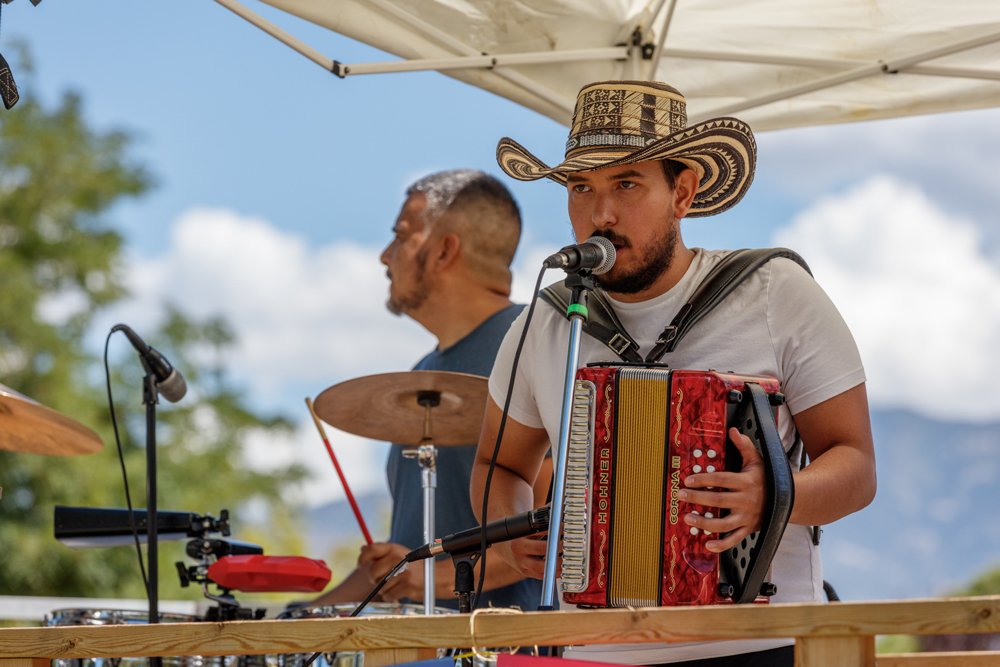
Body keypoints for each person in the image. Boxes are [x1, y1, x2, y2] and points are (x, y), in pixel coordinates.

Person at [471, 80, 877, 665]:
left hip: (756, 649)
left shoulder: (775, 294)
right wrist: (516, 537)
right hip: (590, 654)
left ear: (682, 192)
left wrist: (773, 496)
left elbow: (856, 467)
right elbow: (499, 465)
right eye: (580, 187)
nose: (599, 214)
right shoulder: (548, 319)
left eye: (627, 184)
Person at [314, 169, 549, 610]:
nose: (386, 256)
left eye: (401, 236)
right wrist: (296, 618)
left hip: (498, 652)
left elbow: (548, 534)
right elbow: (400, 564)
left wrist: (429, 577)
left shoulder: (535, 343)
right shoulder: (424, 374)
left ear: (444, 250)